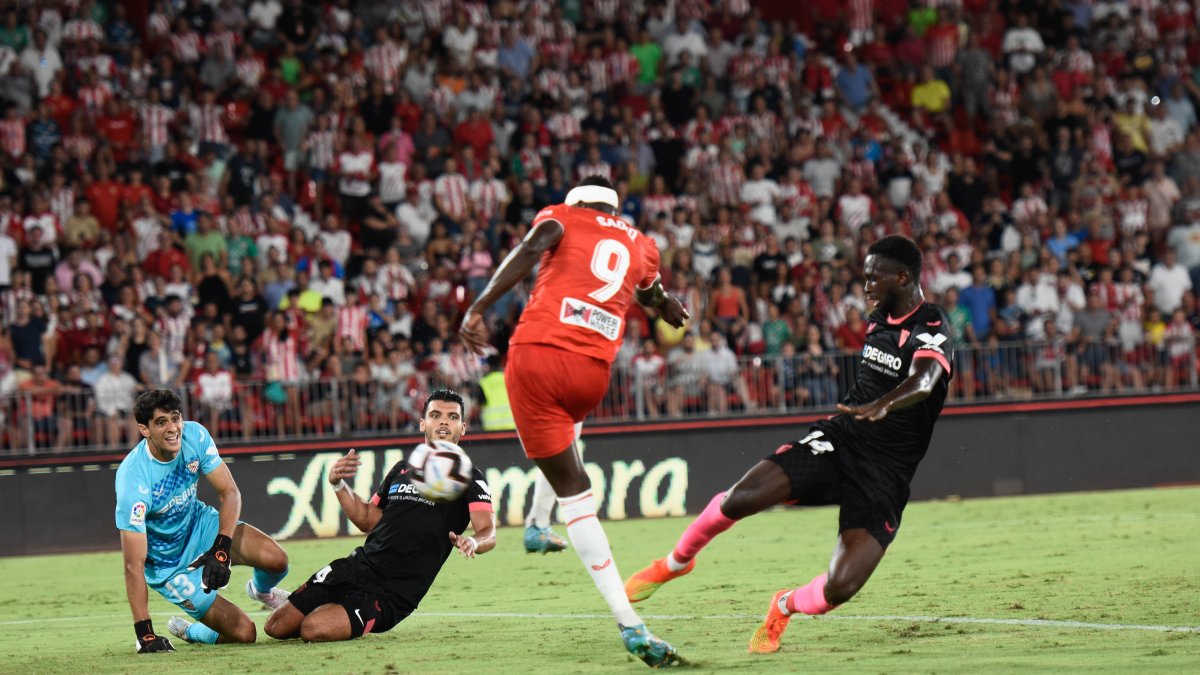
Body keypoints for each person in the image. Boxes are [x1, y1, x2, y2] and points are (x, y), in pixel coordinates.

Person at [623, 235, 955, 654]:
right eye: (865, 276)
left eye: (874, 277)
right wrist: (868, 409)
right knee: (740, 498)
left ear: (903, 277)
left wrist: (885, 404)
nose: (866, 284)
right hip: (842, 440)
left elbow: (924, 380)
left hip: (886, 472)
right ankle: (674, 564)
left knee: (840, 588)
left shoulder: (931, 324)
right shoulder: (876, 317)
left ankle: (783, 605)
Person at [459, 176, 690, 667]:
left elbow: (528, 250)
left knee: (574, 492)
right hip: (592, 376)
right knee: (571, 435)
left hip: (539, 358)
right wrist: (666, 304)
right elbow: (651, 294)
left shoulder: (559, 217)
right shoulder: (641, 244)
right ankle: (539, 527)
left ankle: (629, 621)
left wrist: (479, 306)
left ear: (576, 201)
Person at [263, 389, 496, 642]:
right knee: (275, 627)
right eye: (435, 415)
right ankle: (319, 603)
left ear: (462, 427)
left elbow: (488, 532)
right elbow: (367, 519)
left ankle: (324, 609)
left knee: (313, 629)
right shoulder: (401, 470)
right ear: (422, 423)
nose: (443, 422)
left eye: (452, 417)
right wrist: (338, 485)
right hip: (356, 567)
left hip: (392, 592)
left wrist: (473, 541)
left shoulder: (471, 479)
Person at [114, 389, 290, 653]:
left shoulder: (195, 435)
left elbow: (229, 493)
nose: (173, 428)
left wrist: (220, 548)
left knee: (277, 560)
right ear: (144, 429)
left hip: (199, 525)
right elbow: (133, 564)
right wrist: (145, 634)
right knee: (245, 633)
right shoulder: (133, 479)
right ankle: (191, 630)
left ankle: (262, 592)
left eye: (175, 418)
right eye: (161, 422)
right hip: (169, 565)